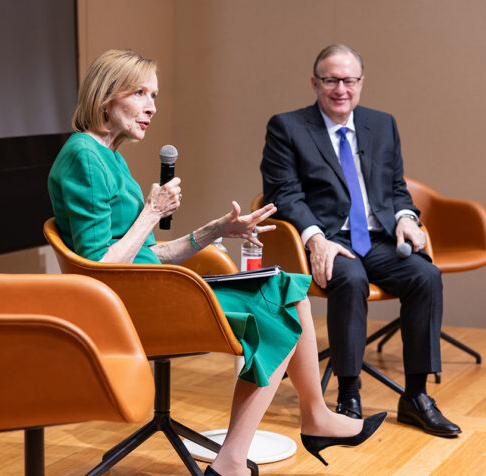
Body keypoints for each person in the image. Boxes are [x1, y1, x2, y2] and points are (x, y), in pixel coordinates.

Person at [47, 49, 385, 476]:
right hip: (131, 305)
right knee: (275, 316)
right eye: (140, 94)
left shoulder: (108, 155)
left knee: (290, 287)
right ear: (107, 96)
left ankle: (314, 416)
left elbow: (147, 253)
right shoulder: (83, 156)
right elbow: (101, 265)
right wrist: (152, 212)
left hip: (150, 287)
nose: (152, 107)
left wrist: (216, 230)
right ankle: (231, 462)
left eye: (155, 95)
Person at [260, 44, 461, 438]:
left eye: (349, 80)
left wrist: (405, 217)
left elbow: (396, 187)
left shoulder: (382, 124)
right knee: (349, 280)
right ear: (315, 82)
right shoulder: (287, 127)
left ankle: (416, 397)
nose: (340, 89)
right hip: (329, 237)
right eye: (331, 80)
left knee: (427, 277)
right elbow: (282, 194)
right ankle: (348, 394)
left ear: (361, 83)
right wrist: (315, 238)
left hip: (378, 238)